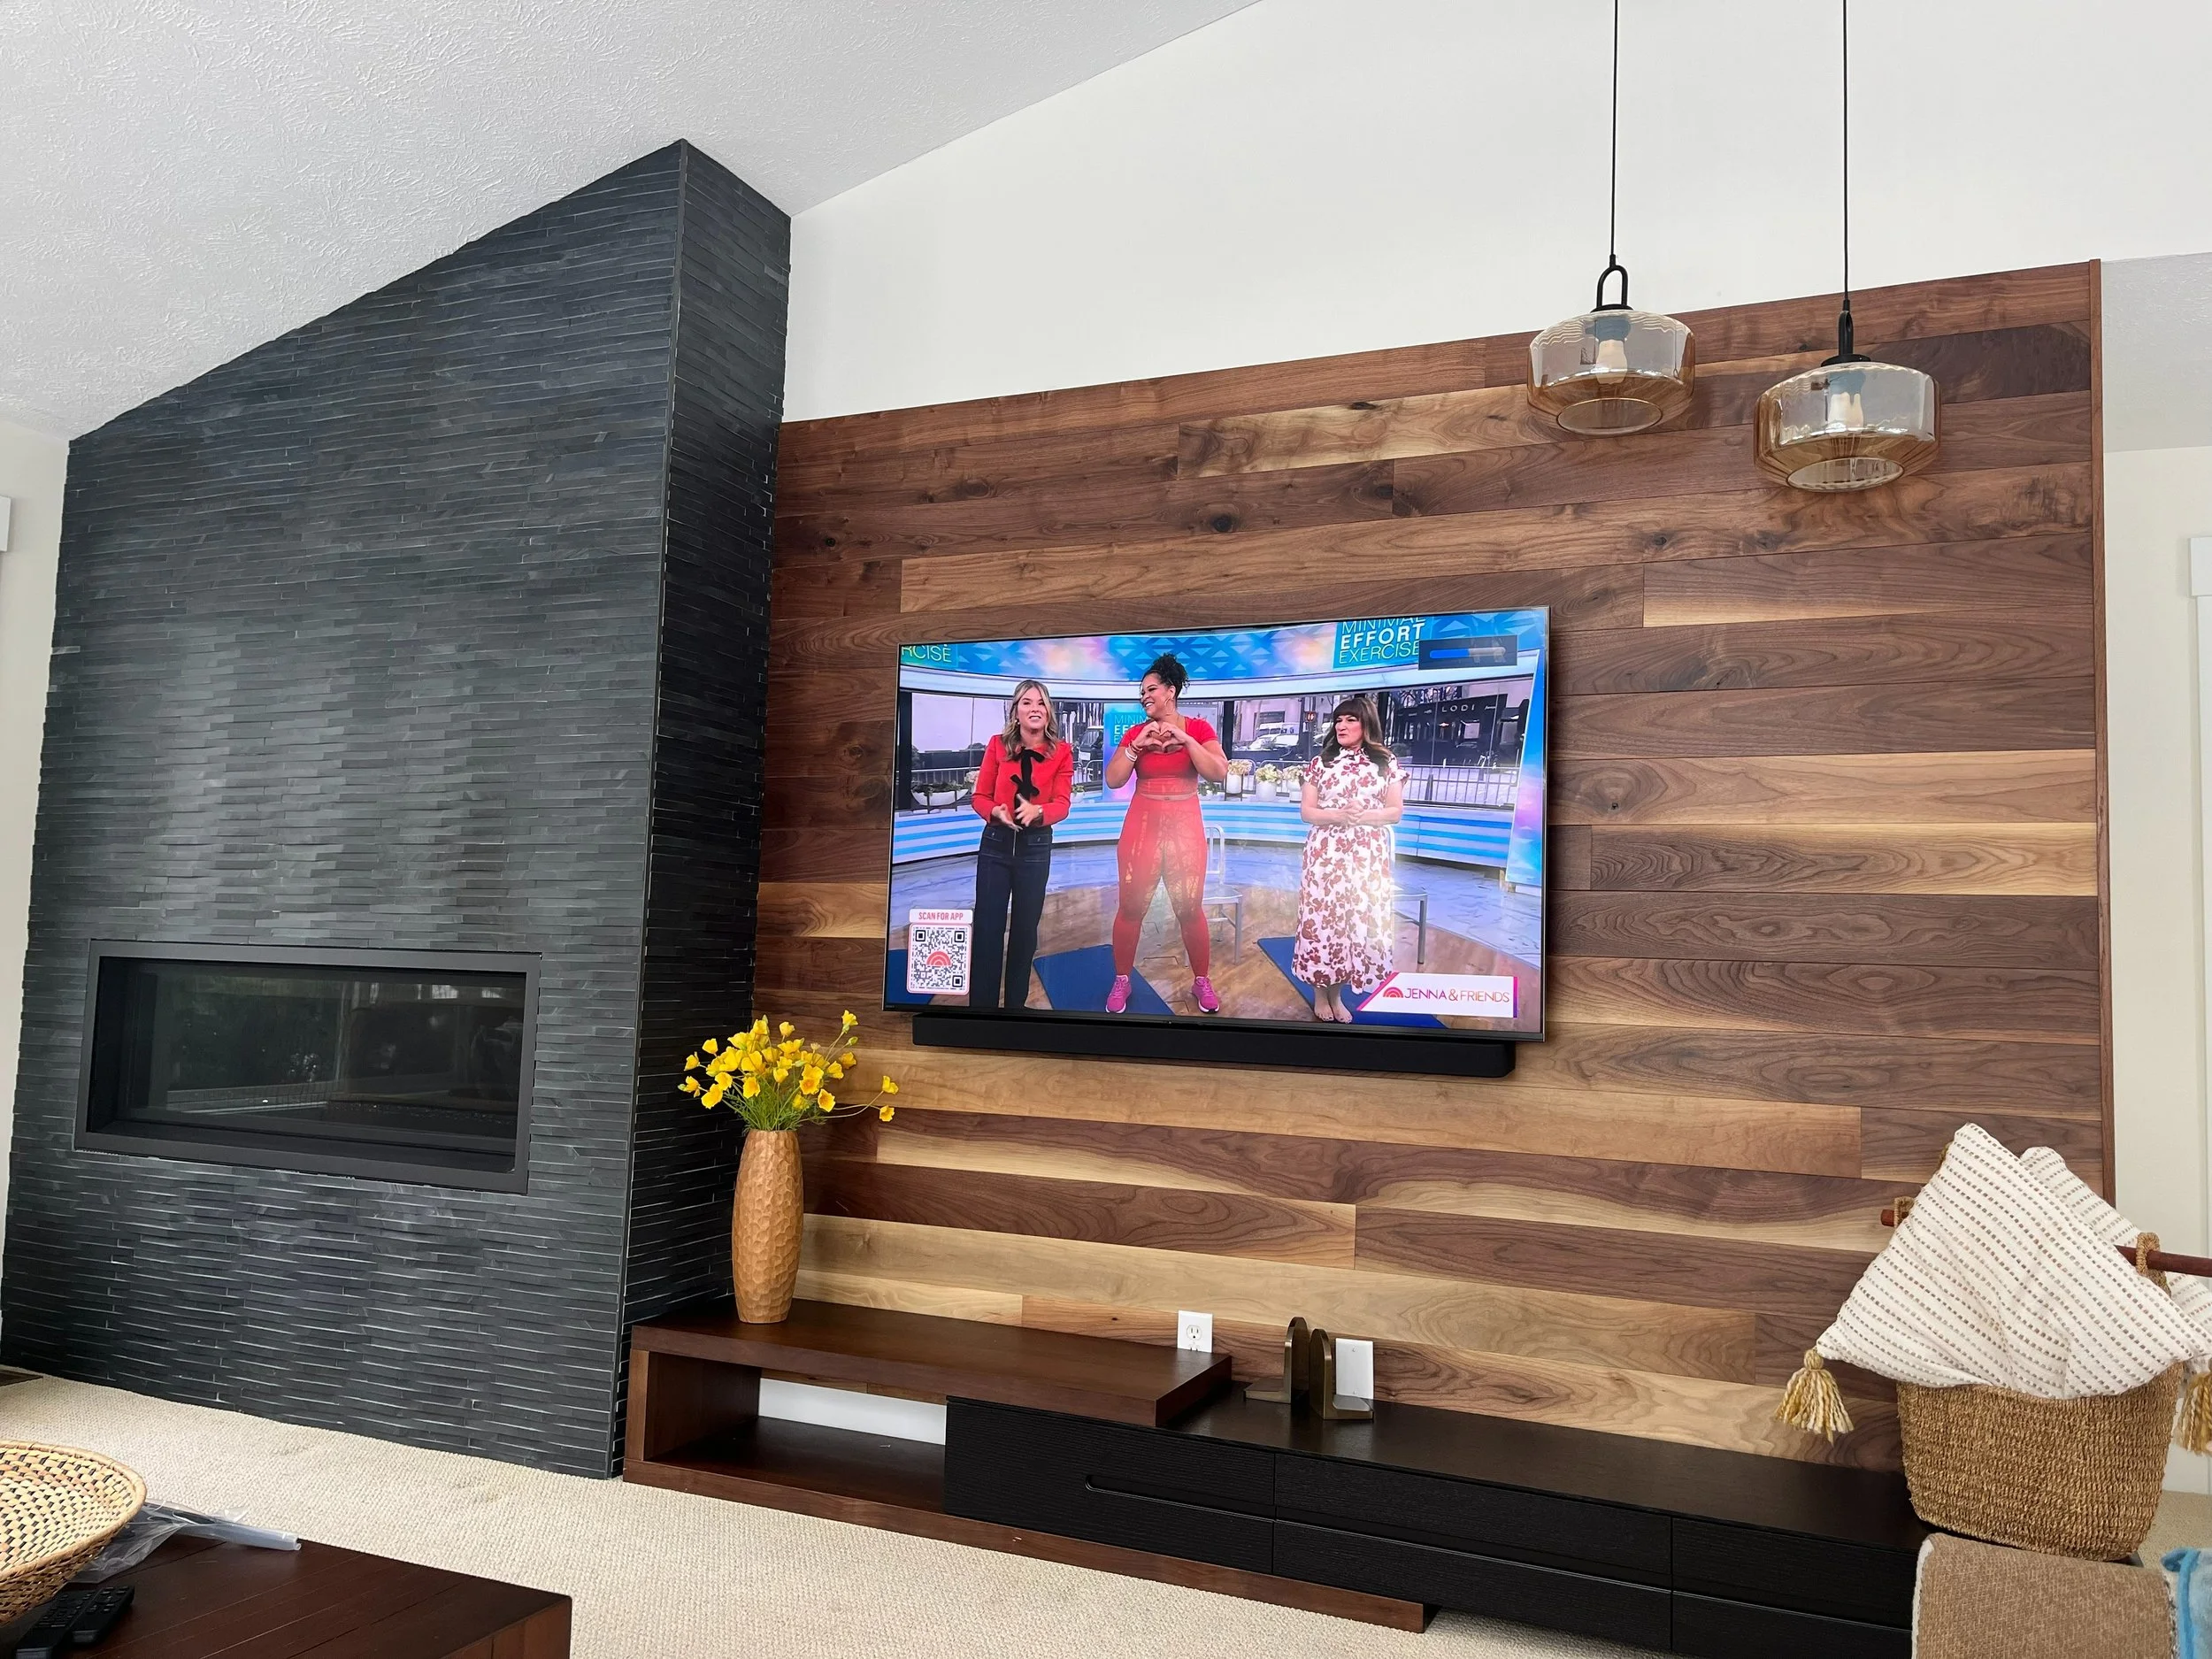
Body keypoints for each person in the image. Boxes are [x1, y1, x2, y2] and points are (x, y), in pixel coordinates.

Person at [1102, 654, 1229, 1014]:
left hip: (1185, 829)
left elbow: (1218, 772)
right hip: (1142, 828)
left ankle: (1201, 980)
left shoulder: (1199, 728)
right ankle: (1122, 980)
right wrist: (1134, 746)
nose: (1144, 697)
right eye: (1141, 692)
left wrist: (1186, 740)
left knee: (1189, 908)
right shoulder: (1135, 733)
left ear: (1170, 691)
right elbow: (1113, 780)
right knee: (1130, 907)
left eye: (1151, 690)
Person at [1292, 695, 1404, 1022]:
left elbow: (1395, 812)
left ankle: (1337, 995)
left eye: (1350, 720)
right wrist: (1338, 815)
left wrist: (1363, 815)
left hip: (1366, 855)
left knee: (1352, 925)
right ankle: (1319, 994)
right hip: (1325, 854)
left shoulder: (1386, 763)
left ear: (1366, 723)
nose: (1341, 726)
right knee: (1322, 924)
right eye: (1338, 720)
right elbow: (1307, 812)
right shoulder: (1321, 762)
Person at [967, 680, 1073, 1011]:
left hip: (1035, 848)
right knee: (988, 929)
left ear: (1049, 711)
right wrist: (994, 811)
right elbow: (980, 797)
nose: (1035, 709)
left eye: (1041, 703)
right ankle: (981, 1010)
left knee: (1025, 932)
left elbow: (1063, 804)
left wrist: (1040, 811)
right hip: (996, 845)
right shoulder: (997, 745)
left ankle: (1014, 1009)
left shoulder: (1062, 752)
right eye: (1027, 703)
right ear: (1016, 711)